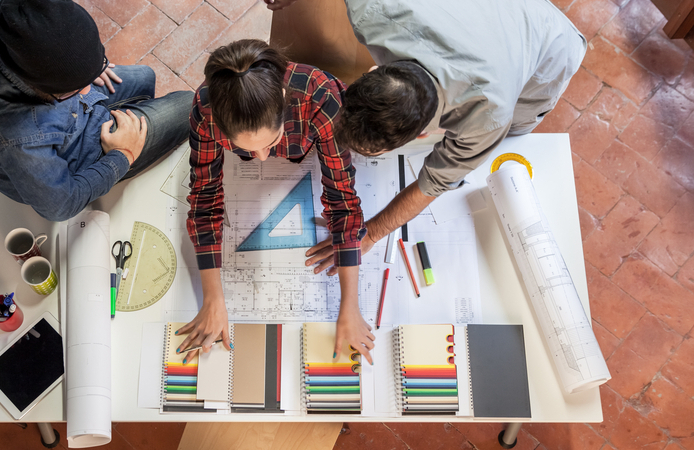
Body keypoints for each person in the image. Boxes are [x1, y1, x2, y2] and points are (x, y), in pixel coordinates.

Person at [302, 0, 587, 274]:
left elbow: (430, 186)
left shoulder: (488, 117)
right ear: (372, 73)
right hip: (484, 15)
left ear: (420, 134)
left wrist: (372, 233)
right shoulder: (371, 10)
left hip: (547, 41)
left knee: (513, 137)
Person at [177, 39, 373, 364]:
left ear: (283, 99)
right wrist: (212, 298)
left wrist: (350, 306)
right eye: (245, 149)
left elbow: (342, 200)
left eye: (271, 141)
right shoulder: (205, 110)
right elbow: (204, 197)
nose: (262, 158)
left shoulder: (323, 99)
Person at [0, 0, 193, 221]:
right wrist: (121, 156)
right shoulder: (19, 140)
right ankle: (128, 154)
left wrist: (84, 68)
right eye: (72, 89)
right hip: (64, 154)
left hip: (62, 111)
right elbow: (60, 206)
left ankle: (132, 128)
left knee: (145, 77)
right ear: (37, 85)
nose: (87, 90)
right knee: (187, 106)